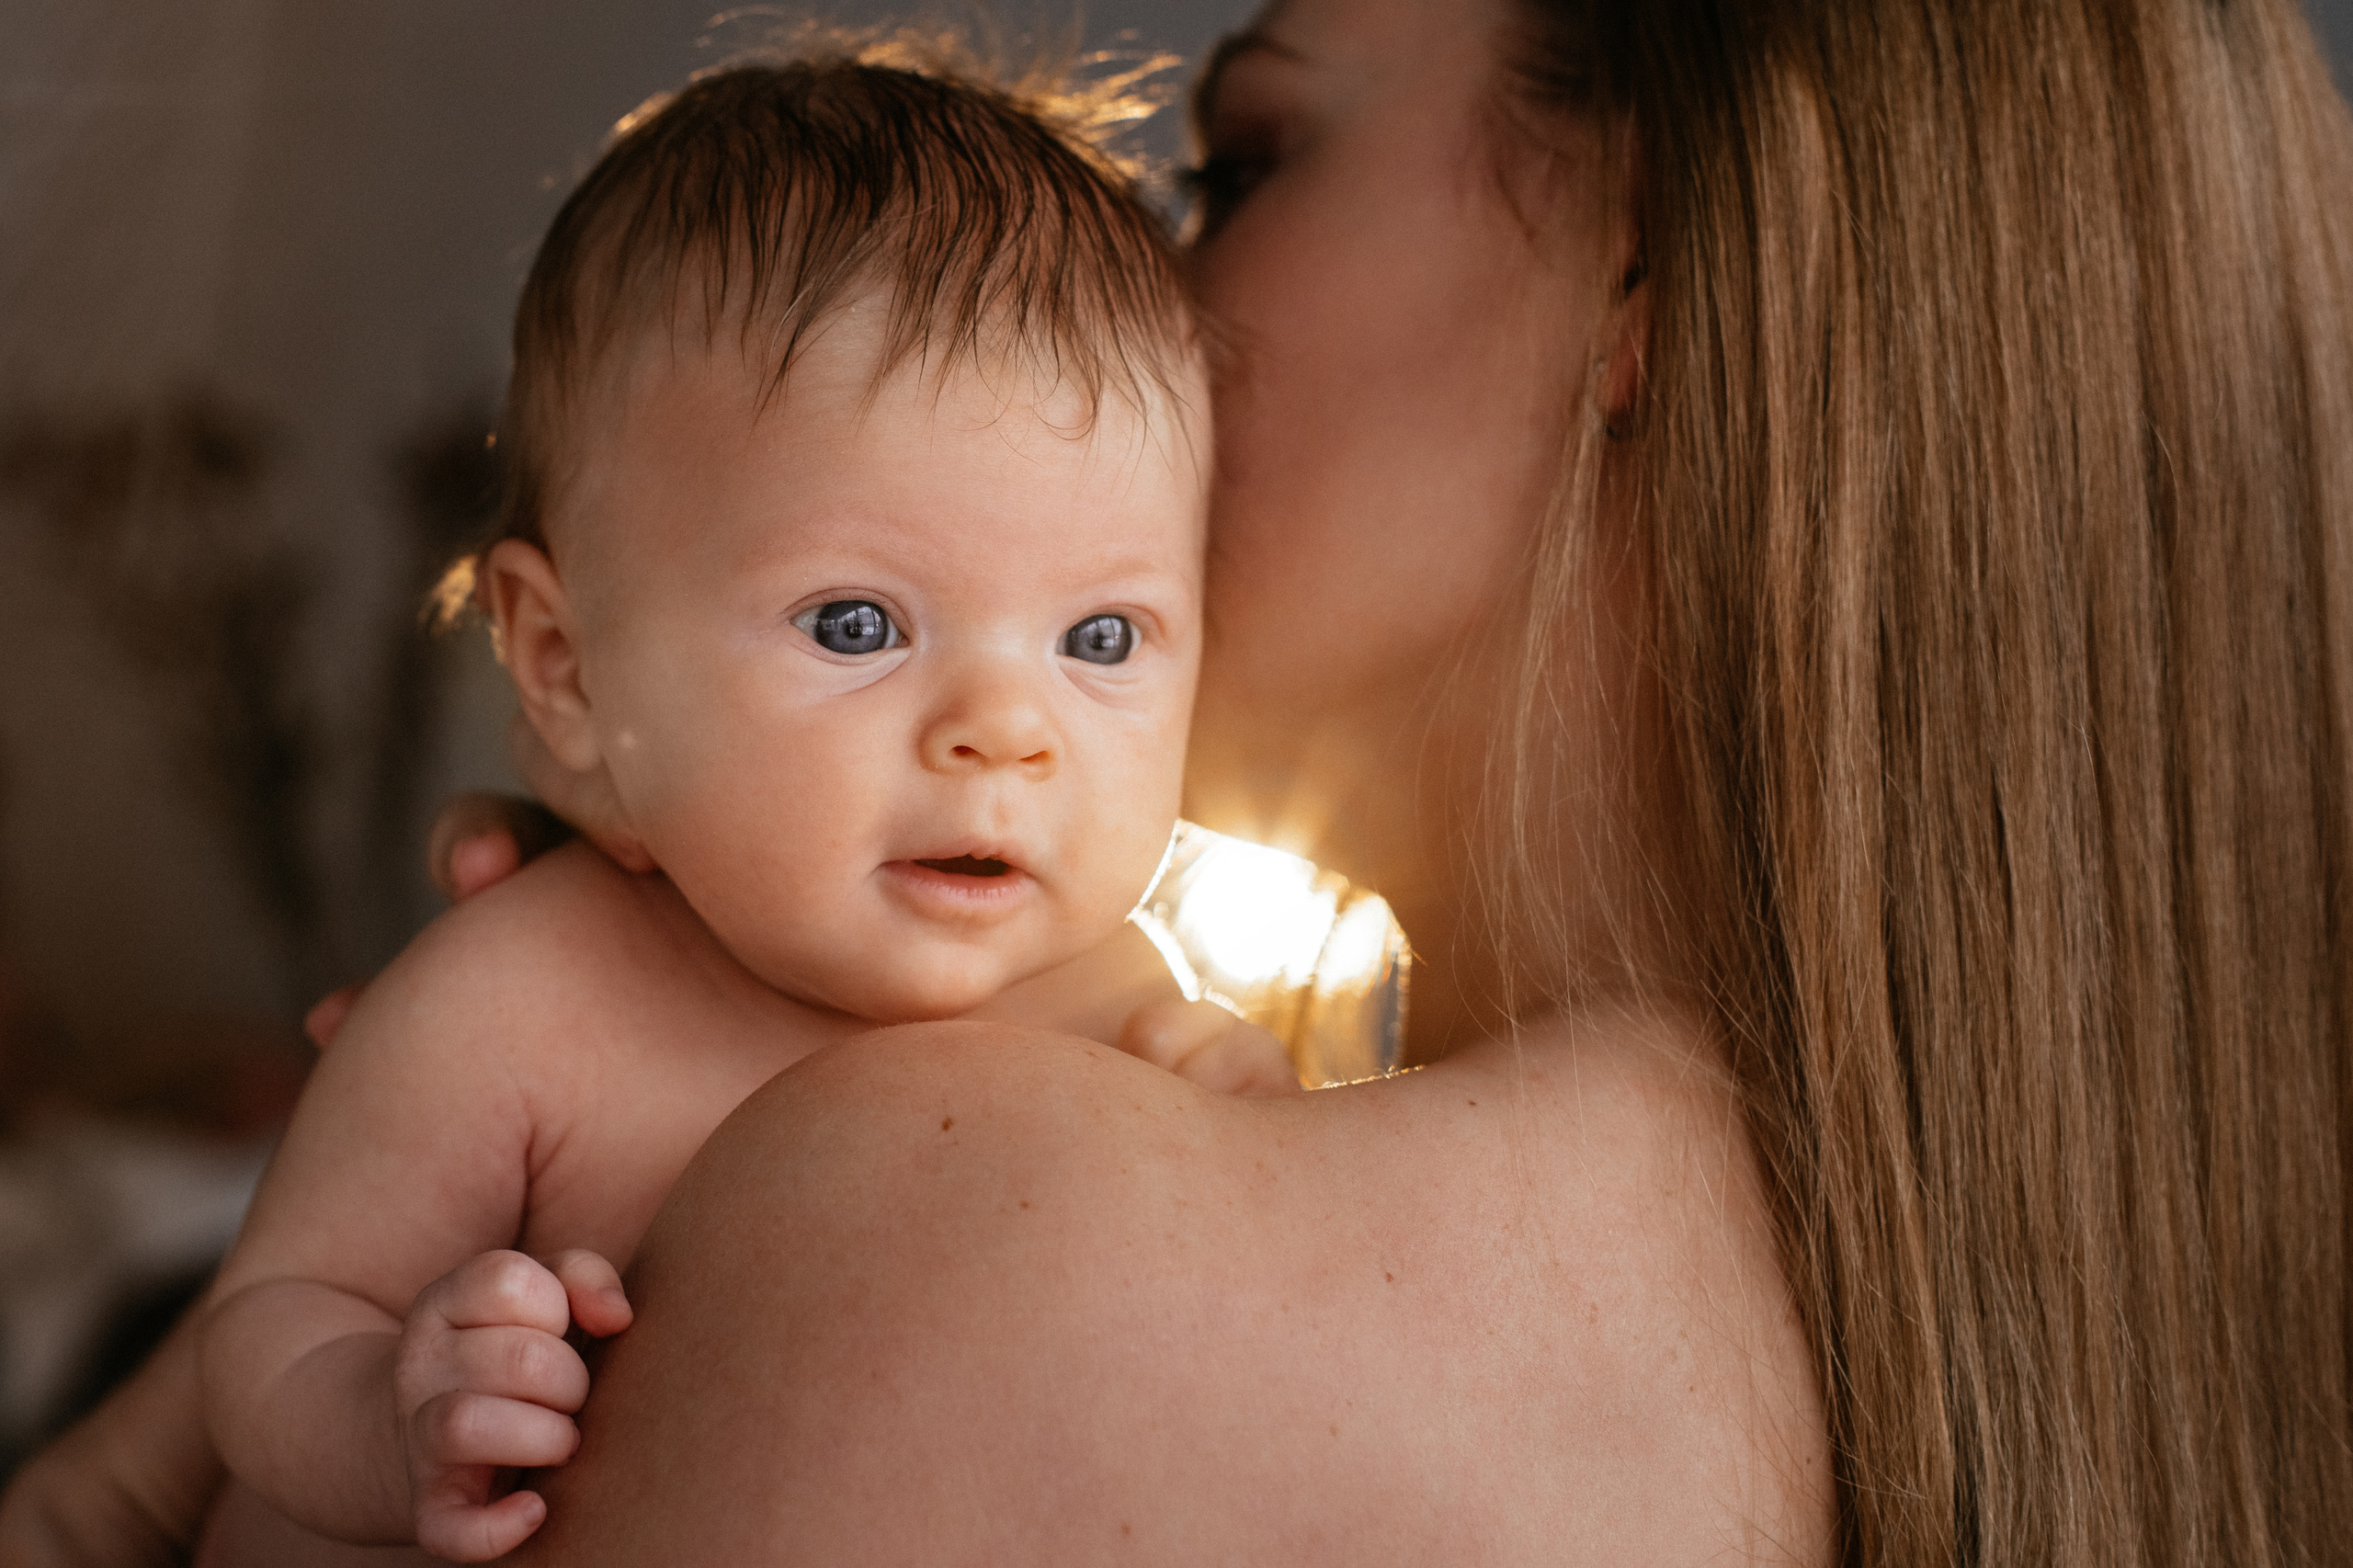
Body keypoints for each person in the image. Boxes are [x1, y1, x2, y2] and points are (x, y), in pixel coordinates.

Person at [6, 0, 2351, 1562]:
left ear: (1652, 278)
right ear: (556, 654)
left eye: (1238, 158)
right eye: (846, 622)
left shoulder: (1000, 1246)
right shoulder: (2047, 1310)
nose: (1125, 275)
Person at [186, 51, 1335, 1566]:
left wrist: (1258, 1159)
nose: (1007, 732)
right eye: (856, 624)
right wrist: (387, 1412)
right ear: (570, 671)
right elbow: (272, 1321)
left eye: (1100, 638)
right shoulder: (524, 998)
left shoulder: (1139, 1028)